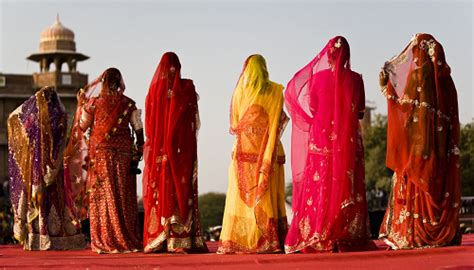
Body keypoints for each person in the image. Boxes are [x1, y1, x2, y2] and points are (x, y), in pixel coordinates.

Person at [284, 36, 370, 253]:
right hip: (347, 144)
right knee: (344, 185)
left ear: (327, 55)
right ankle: (345, 235)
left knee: (321, 185)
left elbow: (313, 109)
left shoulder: (317, 79)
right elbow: (360, 112)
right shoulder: (356, 79)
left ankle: (319, 233)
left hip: (321, 141)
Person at [378, 33, 461, 249]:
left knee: (415, 181)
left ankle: (416, 233)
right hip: (442, 148)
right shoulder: (447, 81)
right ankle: (442, 230)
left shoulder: (417, 76)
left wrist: (386, 87)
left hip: (418, 144)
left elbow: (403, 105)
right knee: (437, 183)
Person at [217, 54, 288, 254]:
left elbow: (236, 124)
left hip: (243, 152)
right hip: (269, 152)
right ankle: (269, 240)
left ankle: (243, 240)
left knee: (241, 197)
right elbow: (277, 122)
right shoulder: (276, 91)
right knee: (268, 194)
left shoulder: (241, 92)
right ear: (265, 68)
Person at [72, 68, 143, 253]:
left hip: (101, 156)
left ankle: (106, 241)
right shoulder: (129, 104)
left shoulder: (93, 104)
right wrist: (138, 152)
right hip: (124, 156)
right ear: (119, 83)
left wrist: (80, 105)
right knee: (123, 196)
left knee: (104, 198)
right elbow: (139, 131)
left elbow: (82, 126)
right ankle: (126, 238)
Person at [142, 52, 208, 253]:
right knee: (175, 191)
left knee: (165, 192)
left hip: (165, 153)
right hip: (179, 152)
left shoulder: (156, 91)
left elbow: (150, 128)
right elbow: (191, 122)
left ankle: (164, 238)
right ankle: (177, 238)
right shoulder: (186, 88)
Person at [8, 86, 86, 250]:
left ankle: (39, 236)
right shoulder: (61, 115)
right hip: (52, 167)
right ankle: (52, 236)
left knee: (41, 199)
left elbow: (15, 118)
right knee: (52, 198)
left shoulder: (36, 116)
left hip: (36, 166)